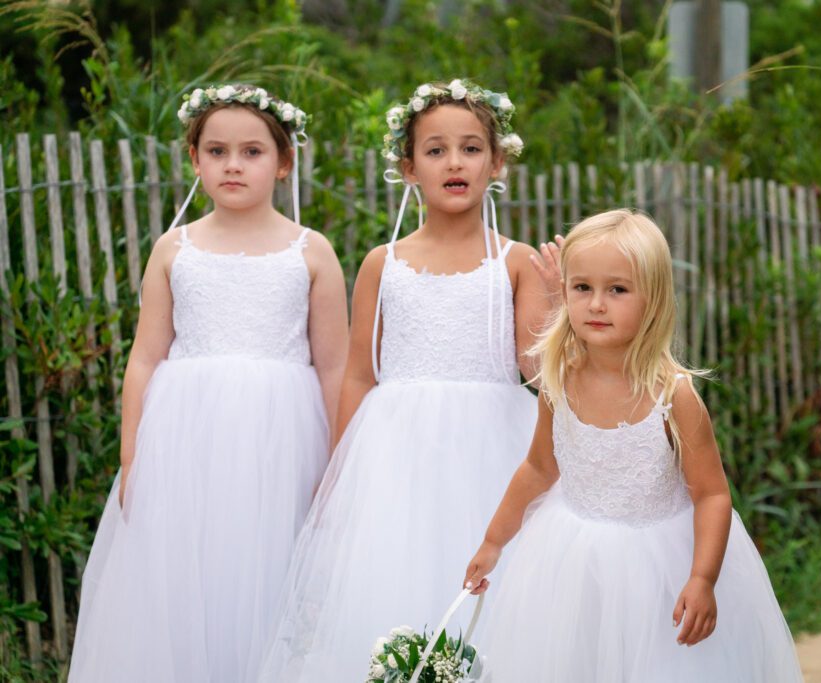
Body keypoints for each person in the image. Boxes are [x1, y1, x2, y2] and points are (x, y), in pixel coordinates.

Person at [258, 79, 561, 681]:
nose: (455, 162)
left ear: (497, 162)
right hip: (394, 456)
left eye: (472, 148)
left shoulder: (516, 260)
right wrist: (339, 467)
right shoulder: (383, 262)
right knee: (390, 578)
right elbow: (359, 375)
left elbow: (535, 371)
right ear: (408, 167)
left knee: (494, 591)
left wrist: (554, 304)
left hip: (492, 448)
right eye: (436, 150)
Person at [68, 84, 348, 682]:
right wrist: (131, 452)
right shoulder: (175, 248)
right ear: (194, 159)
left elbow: (333, 366)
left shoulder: (312, 252)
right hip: (183, 442)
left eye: (252, 152)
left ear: (284, 161)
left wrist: (336, 460)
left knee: (265, 570)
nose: (233, 164)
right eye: (217, 151)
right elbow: (145, 357)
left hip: (281, 443)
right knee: (186, 575)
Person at [464, 209, 805, 682]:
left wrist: (702, 579)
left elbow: (712, 493)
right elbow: (538, 469)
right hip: (573, 562)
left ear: (654, 299)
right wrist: (494, 540)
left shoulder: (673, 395)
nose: (596, 304)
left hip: (659, 572)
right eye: (582, 287)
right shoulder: (557, 380)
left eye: (617, 289)